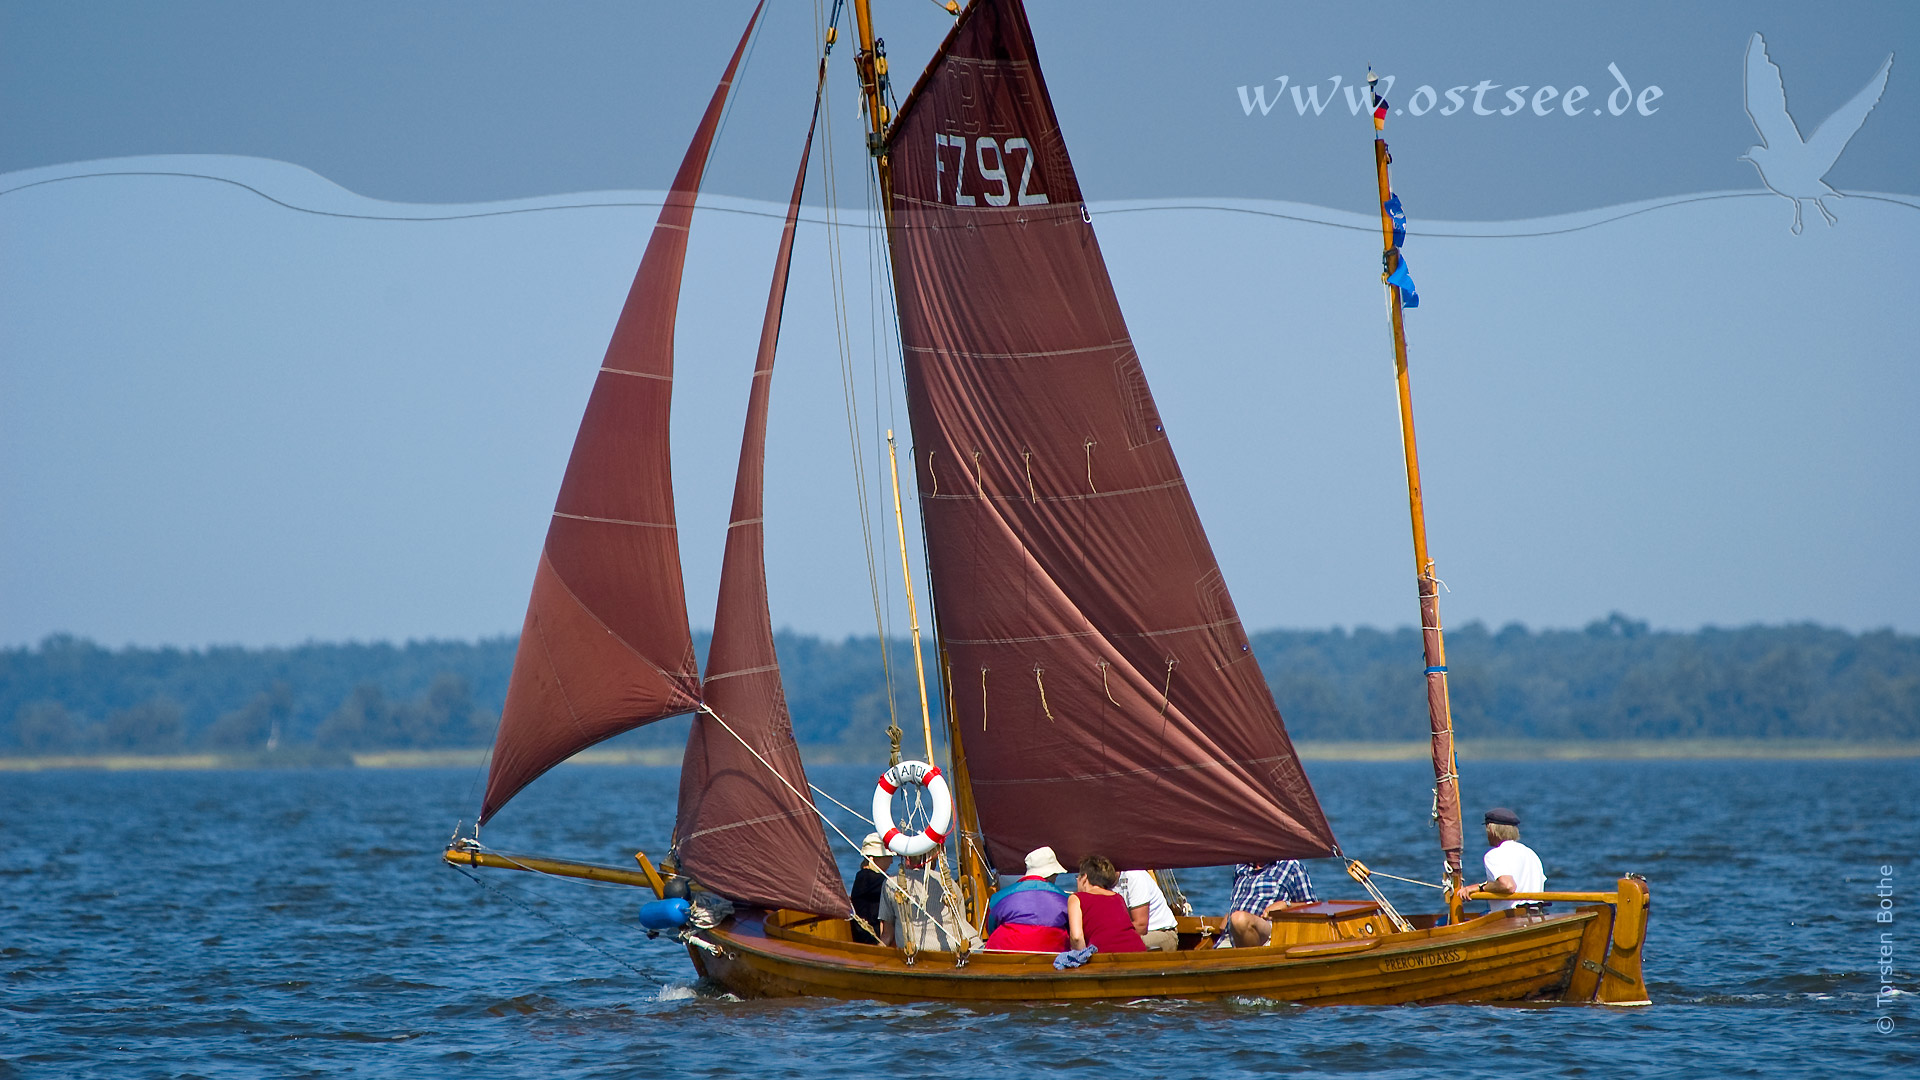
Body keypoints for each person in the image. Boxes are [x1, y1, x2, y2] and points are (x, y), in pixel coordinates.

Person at [877, 852, 981, 952]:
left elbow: (887, 934)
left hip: (917, 955)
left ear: (907, 859)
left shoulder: (890, 884)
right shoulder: (948, 883)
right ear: (932, 859)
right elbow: (961, 921)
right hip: (964, 949)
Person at [983, 846, 1071, 952]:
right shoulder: (1065, 899)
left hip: (1004, 954)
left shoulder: (999, 897)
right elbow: (1073, 931)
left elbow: (991, 928)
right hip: (1051, 955)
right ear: (1051, 874)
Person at [1465, 806, 1545, 912]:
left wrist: (1479, 888)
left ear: (1492, 831)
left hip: (1510, 919)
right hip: (1537, 916)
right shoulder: (1531, 854)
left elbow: (1508, 885)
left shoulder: (1494, 855)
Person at [1224, 859, 1317, 947]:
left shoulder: (1291, 866)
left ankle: (1249, 958)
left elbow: (1313, 907)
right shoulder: (1241, 866)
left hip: (1267, 932)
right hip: (1230, 935)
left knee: (1240, 920)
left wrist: (1286, 905)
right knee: (1236, 919)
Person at [1068, 854, 1147, 953]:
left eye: (1078, 877)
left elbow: (1076, 937)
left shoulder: (1076, 898)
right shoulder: (1117, 897)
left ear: (1084, 878)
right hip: (1137, 950)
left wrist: (1081, 958)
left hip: (1105, 954)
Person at [1114, 868, 1180, 952]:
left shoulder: (1135, 876)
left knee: (1121, 945)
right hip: (1128, 934)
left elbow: (1141, 926)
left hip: (1161, 933)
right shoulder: (1098, 881)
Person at [848, 833, 893, 945]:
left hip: (870, 937)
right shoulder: (867, 877)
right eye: (887, 857)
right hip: (870, 940)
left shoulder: (867, 877)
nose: (891, 861)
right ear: (873, 858)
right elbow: (894, 885)